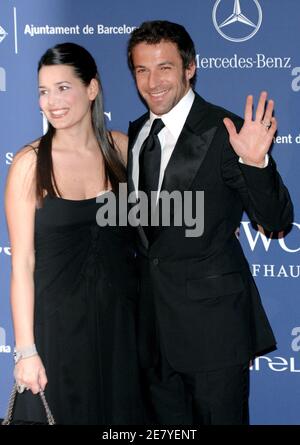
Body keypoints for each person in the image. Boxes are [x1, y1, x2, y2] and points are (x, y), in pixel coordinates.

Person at [126, 20, 293, 425]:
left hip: (213, 334)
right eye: (141, 70)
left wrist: (255, 163)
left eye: (164, 67)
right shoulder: (135, 132)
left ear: (190, 68)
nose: (153, 82)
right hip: (151, 335)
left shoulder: (227, 131)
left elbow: (275, 219)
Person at [5, 42, 143, 425]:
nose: (51, 101)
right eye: (43, 91)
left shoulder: (123, 151)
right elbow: (22, 264)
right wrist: (26, 350)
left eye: (63, 88)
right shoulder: (29, 164)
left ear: (92, 89)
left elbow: (161, 222)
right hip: (58, 332)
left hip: (121, 328)